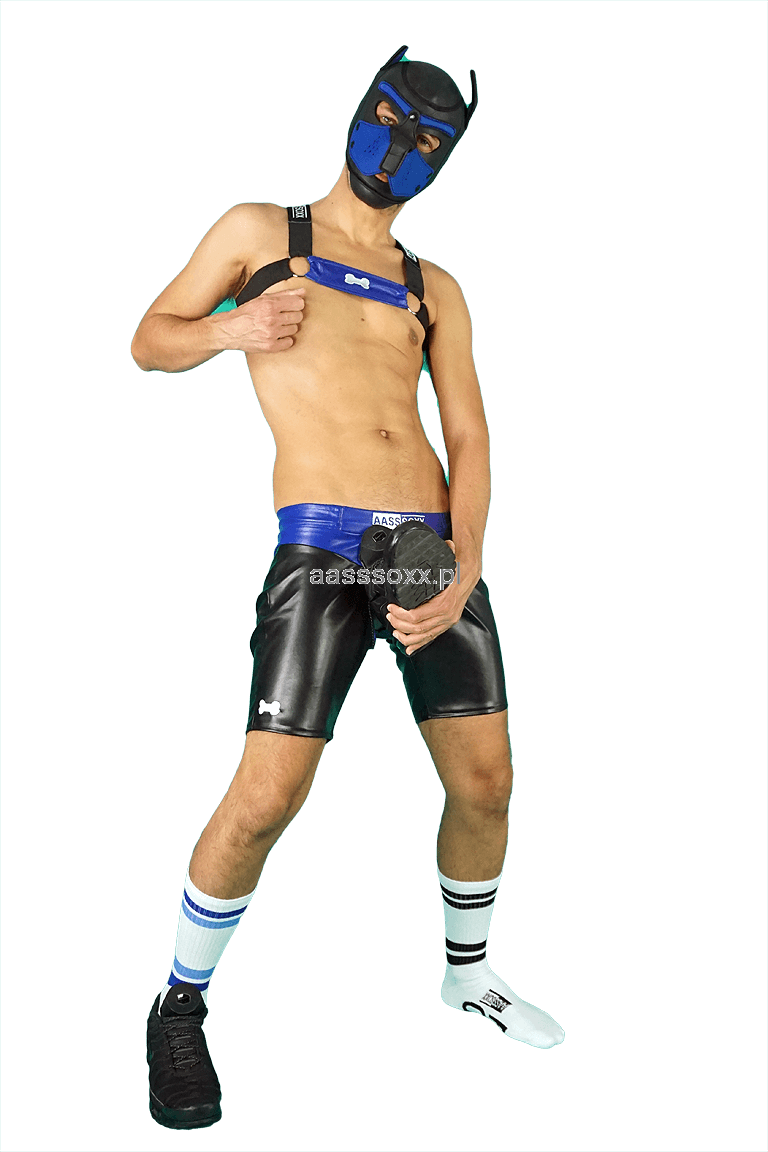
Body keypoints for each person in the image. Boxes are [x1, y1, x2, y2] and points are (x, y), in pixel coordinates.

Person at [134, 45, 563, 1130]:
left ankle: (467, 974)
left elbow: (471, 435)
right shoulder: (260, 230)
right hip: (322, 540)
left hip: (426, 546)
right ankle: (180, 1003)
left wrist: (465, 563)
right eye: (392, 118)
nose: (402, 147)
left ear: (445, 158)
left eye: (431, 138)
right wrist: (231, 329)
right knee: (268, 796)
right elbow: (148, 341)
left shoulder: (434, 284)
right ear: (361, 110)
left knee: (488, 783)